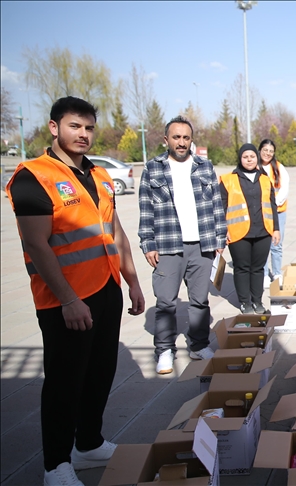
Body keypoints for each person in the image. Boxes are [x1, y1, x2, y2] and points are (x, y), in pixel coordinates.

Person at [6, 96, 146, 486]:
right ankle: (56, 465)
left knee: (101, 372)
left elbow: (115, 231)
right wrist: (68, 299)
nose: (83, 134)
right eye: (74, 126)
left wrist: (133, 281)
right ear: (54, 127)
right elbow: (36, 244)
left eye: (88, 128)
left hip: (106, 289)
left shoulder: (99, 175)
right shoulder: (33, 177)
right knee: (65, 382)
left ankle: (88, 444)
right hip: (65, 299)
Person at [139, 116, 226, 374]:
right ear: (166, 139)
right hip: (168, 245)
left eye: (186, 137)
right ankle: (165, 350)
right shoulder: (153, 169)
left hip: (202, 244)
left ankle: (199, 345)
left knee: (200, 301)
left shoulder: (205, 167)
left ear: (191, 140)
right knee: (166, 302)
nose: (181, 142)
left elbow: (216, 204)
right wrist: (148, 243)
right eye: (176, 137)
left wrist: (220, 238)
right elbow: (146, 209)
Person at [220, 144, 281, 315]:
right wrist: (222, 230)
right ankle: (244, 302)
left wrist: (276, 229)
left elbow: (272, 205)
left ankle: (257, 301)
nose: (249, 160)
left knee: (258, 268)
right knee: (242, 267)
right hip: (238, 232)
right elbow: (221, 207)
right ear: (240, 159)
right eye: (245, 157)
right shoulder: (228, 180)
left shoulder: (265, 179)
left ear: (257, 158)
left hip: (263, 231)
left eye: (252, 156)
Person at [258, 139, 289, 282]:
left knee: (276, 243)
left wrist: (273, 204)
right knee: (262, 244)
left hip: (278, 211)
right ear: (260, 150)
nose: (268, 153)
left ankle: (277, 273)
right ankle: (264, 274)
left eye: (271, 151)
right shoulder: (255, 167)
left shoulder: (278, 167)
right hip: (260, 212)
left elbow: (284, 188)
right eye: (265, 150)